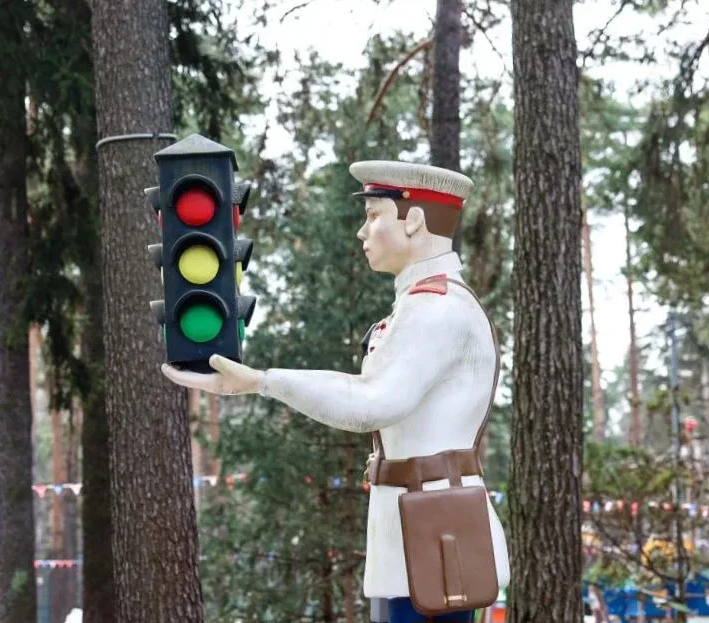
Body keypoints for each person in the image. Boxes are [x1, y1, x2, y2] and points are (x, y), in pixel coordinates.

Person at [161, 160, 510, 622]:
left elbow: (371, 403)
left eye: (373, 215)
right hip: (422, 524)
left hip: (435, 530)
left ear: (414, 219)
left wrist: (265, 382)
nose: (363, 232)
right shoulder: (423, 304)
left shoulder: (437, 309)